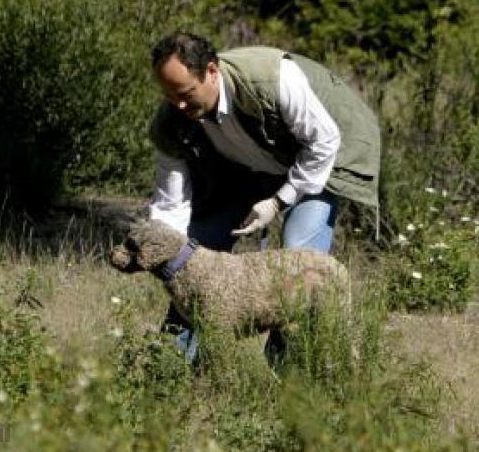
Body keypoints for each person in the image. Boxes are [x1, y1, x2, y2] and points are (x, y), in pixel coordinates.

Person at [147, 32, 380, 364]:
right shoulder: (172, 121)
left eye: (185, 94)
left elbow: (323, 142)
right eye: (169, 96)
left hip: (322, 151)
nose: (178, 106)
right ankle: (172, 366)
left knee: (299, 254)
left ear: (211, 71)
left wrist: (278, 202)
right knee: (197, 253)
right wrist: (169, 257)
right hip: (250, 161)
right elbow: (171, 204)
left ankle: (285, 375)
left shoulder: (273, 80)